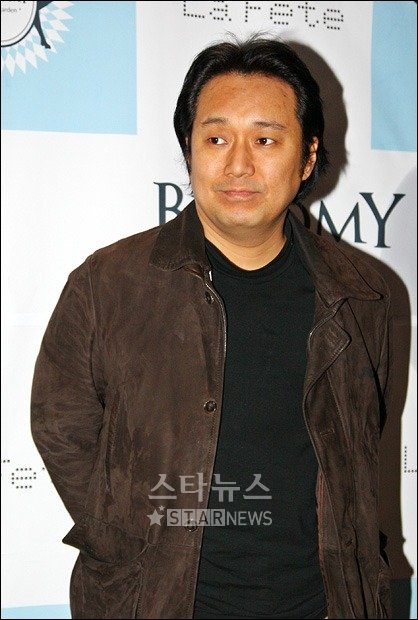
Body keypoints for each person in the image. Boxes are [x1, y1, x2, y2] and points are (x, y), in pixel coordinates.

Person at [31, 35, 392, 619]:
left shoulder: (359, 294)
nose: (238, 164)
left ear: (307, 157)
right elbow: (59, 423)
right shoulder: (110, 283)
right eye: (216, 138)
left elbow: (360, 443)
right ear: (189, 150)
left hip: (322, 603)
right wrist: (125, 540)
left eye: (265, 140)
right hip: (155, 603)